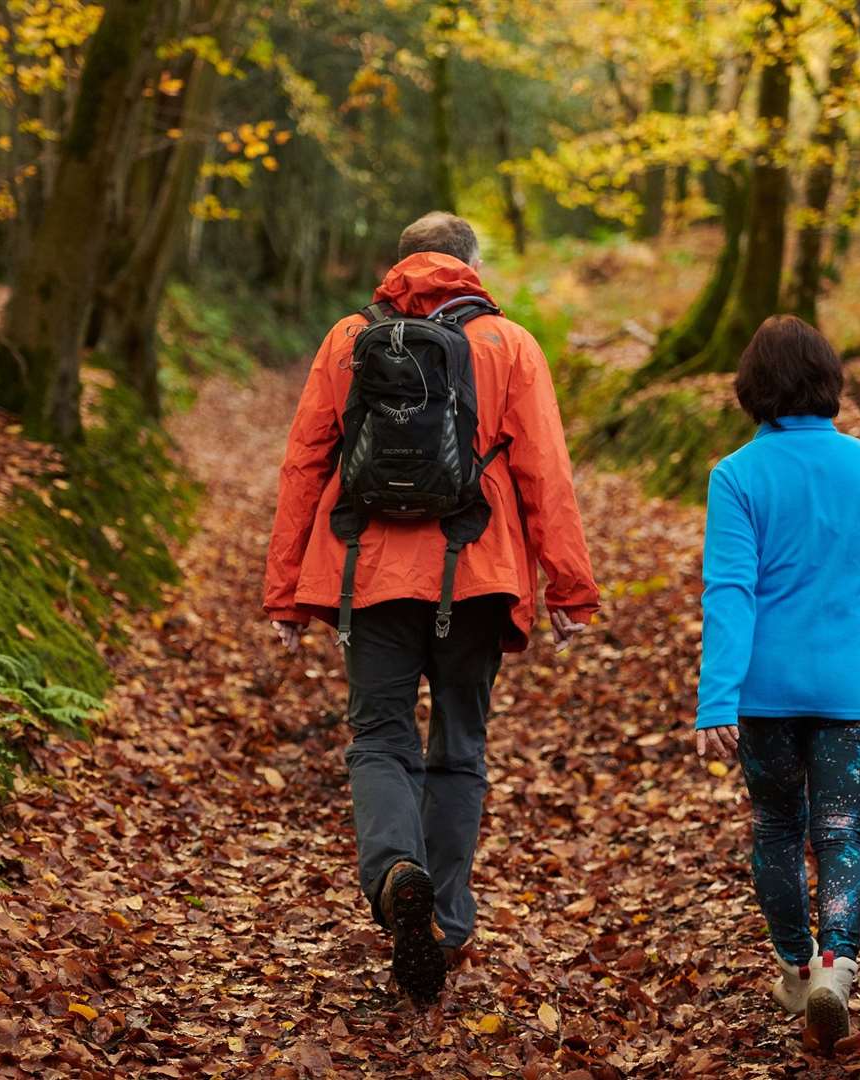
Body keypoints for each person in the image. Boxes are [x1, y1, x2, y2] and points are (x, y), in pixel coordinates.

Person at [264, 212, 600, 1003]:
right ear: (472, 266)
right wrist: (570, 587)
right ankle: (445, 919)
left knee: (379, 737)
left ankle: (392, 875)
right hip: (477, 573)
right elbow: (545, 474)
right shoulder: (508, 345)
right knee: (459, 750)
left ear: (401, 263)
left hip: (366, 574)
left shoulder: (351, 337)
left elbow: (304, 462)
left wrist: (284, 591)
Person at [694, 315, 860, 1051]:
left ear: (752, 392)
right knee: (843, 832)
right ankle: (838, 966)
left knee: (777, 827)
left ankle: (796, 969)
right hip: (858, 691)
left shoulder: (736, 475)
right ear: (830, 383)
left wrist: (717, 697)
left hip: (765, 691)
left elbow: (729, 591)